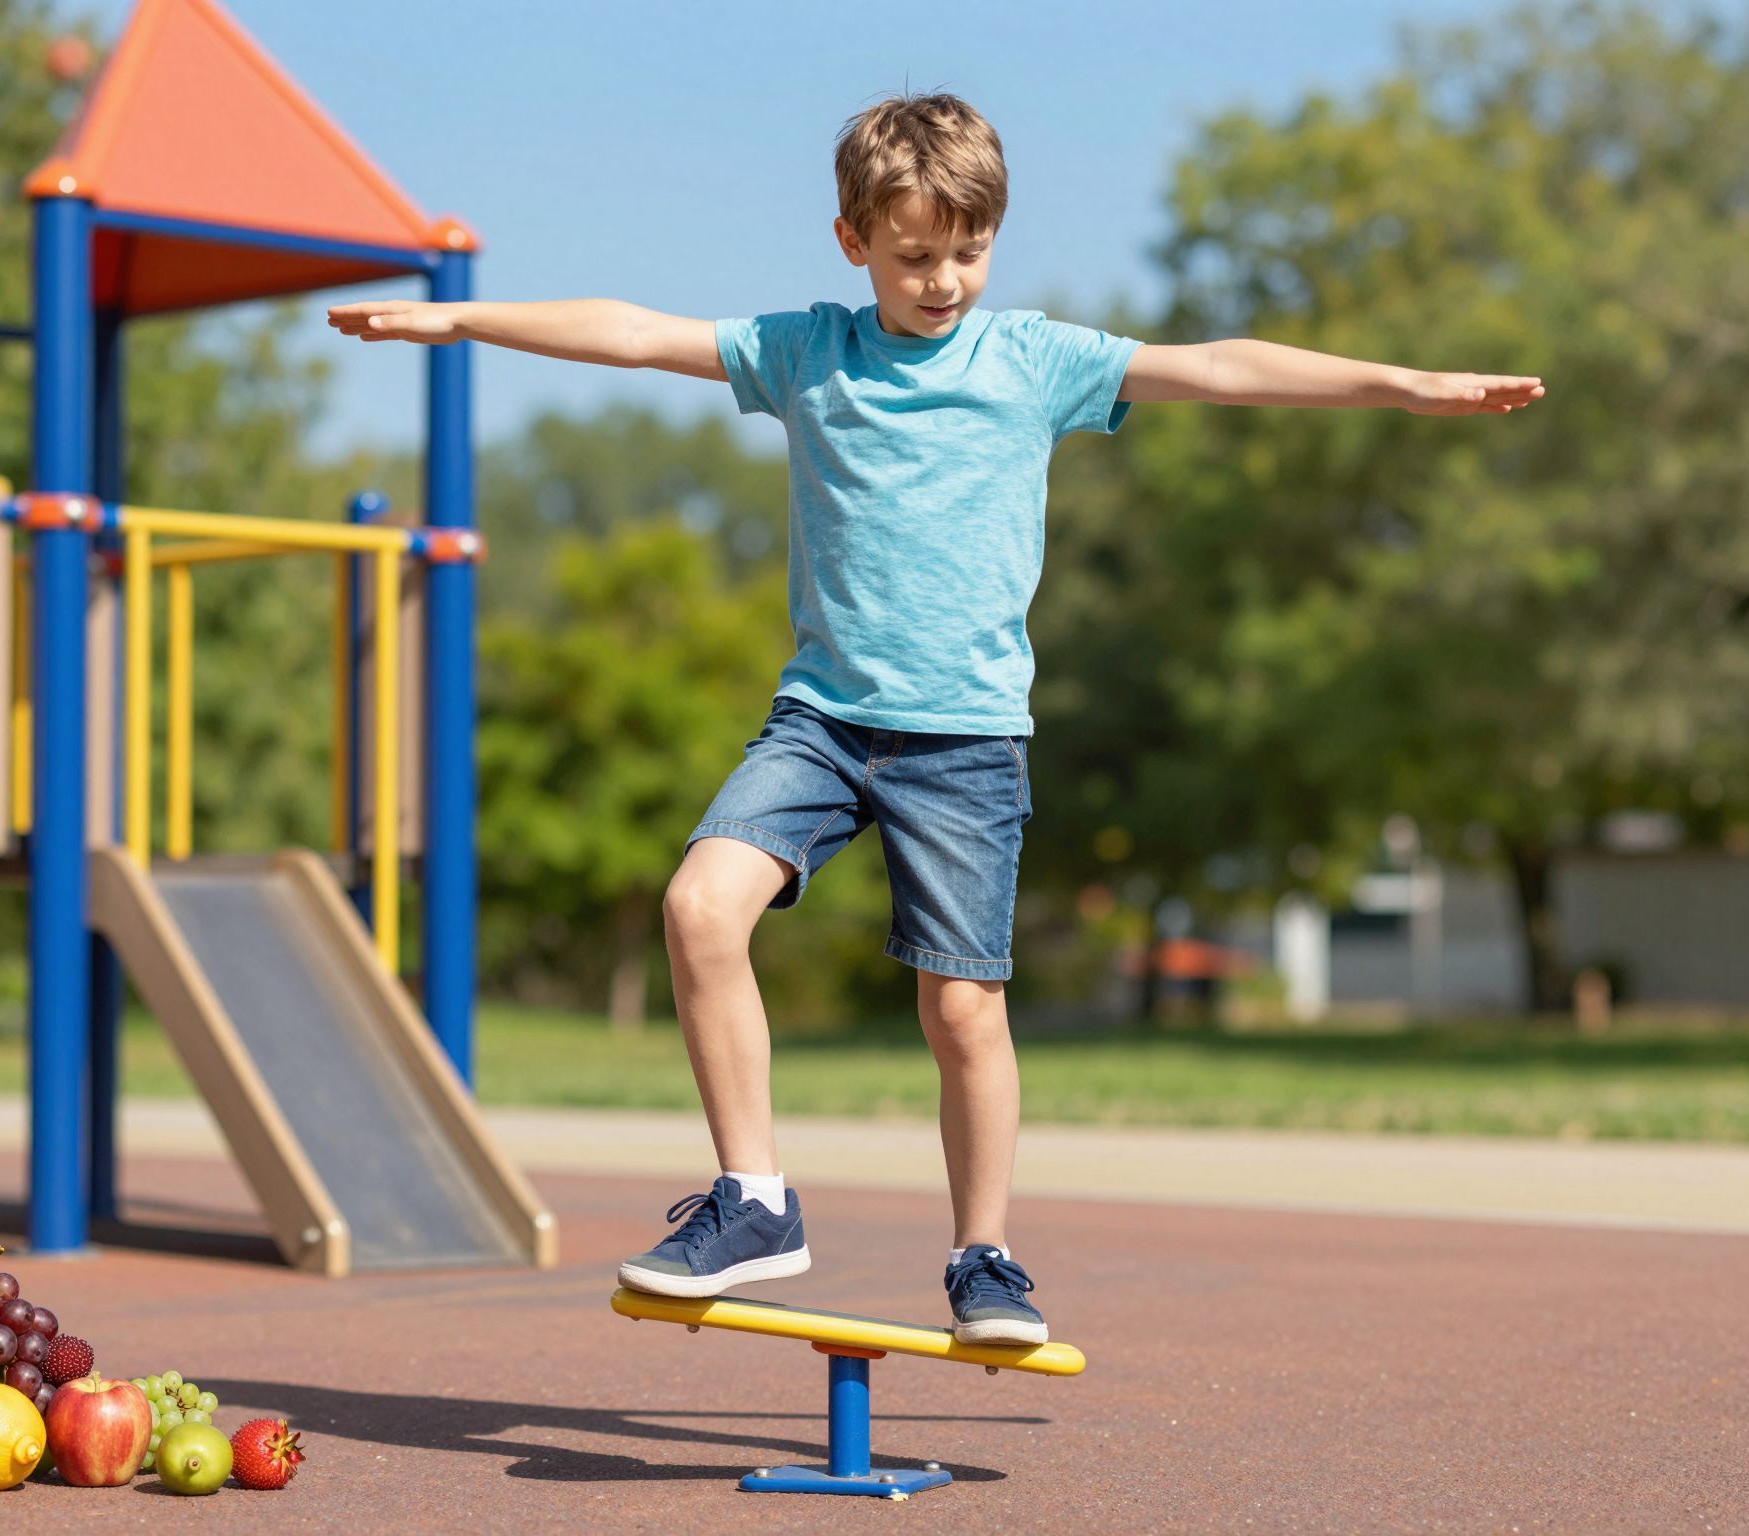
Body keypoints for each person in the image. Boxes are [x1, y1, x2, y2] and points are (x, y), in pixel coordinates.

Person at [327, 93, 1542, 1345]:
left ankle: (984, 1259)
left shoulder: (1032, 360)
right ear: (853, 239)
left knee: (960, 1010)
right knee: (699, 905)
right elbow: (636, 334)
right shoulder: (808, 351)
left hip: (965, 739)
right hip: (822, 722)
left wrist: (1401, 383)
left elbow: (1218, 366)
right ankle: (753, 1202)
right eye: (914, 255)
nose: (944, 279)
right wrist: (462, 319)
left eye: (968, 250)